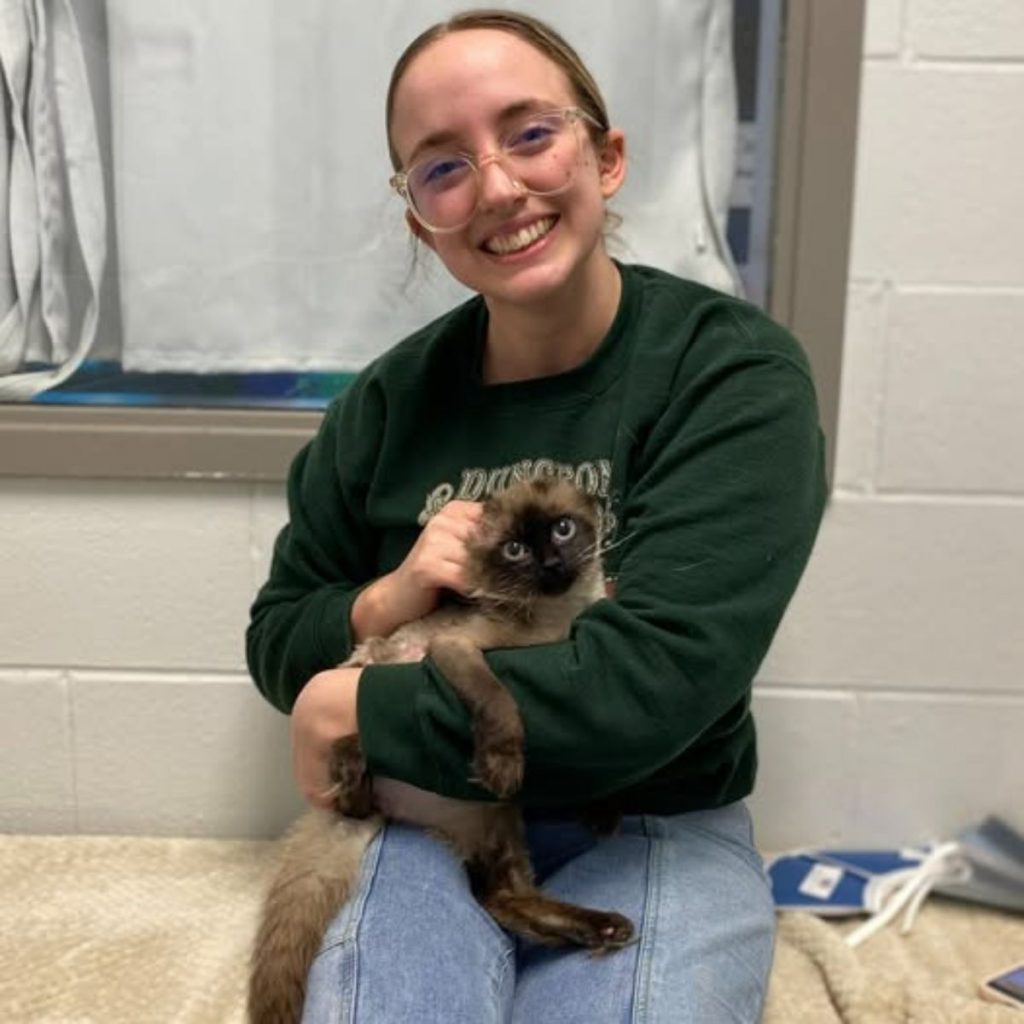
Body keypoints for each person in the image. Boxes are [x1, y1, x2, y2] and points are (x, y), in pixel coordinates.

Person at [247, 9, 827, 1023]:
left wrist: (350, 708)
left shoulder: (728, 374)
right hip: (421, 816)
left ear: (605, 158)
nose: (499, 187)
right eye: (442, 166)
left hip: (649, 815)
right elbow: (279, 634)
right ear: (419, 215)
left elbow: (654, 685)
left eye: (529, 133)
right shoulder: (385, 404)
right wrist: (385, 599)